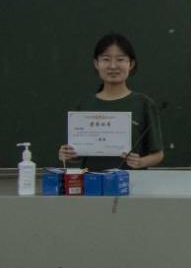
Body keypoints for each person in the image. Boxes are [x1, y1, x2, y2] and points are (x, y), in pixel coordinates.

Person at [58, 33, 164, 171]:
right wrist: (67, 154)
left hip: (132, 182)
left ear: (131, 64)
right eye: (106, 59)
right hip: (91, 181)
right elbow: (77, 154)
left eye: (120, 59)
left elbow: (158, 154)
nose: (113, 66)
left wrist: (141, 162)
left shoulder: (143, 104)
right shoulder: (85, 104)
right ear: (96, 64)